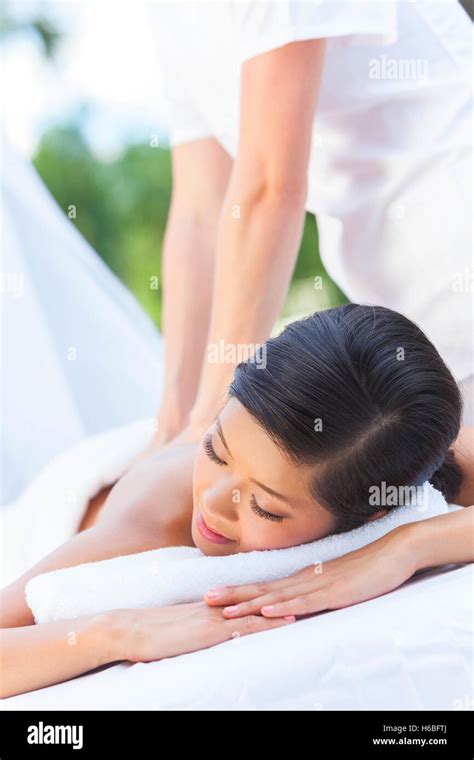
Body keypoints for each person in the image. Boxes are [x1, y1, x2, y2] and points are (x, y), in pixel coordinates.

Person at [1, 304, 473, 698]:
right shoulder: (153, 520)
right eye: (216, 451)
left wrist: (408, 546)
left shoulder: (389, 444)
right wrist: (118, 633)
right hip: (55, 508)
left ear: (374, 510)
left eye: (264, 506)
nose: (213, 502)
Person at [143, 0, 472, 450]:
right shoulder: (169, 17)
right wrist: (173, 424)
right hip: (397, 314)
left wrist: (211, 429)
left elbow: (269, 188)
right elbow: (199, 213)